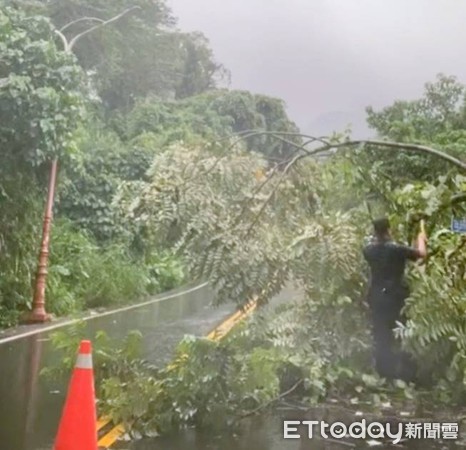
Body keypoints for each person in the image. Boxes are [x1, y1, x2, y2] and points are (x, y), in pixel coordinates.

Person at [362, 217, 427, 382]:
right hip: (396, 297)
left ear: (375, 231)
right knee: (401, 332)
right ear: (389, 229)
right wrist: (420, 238)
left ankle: (384, 375)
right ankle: (406, 375)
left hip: (377, 297)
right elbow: (421, 255)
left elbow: (381, 249)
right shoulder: (397, 250)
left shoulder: (368, 251)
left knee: (381, 335)